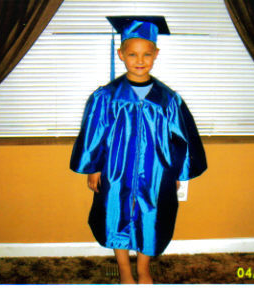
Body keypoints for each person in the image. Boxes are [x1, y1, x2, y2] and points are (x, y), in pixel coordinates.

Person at [70, 16, 207, 284]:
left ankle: (143, 268)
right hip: (115, 171)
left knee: (153, 217)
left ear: (156, 54)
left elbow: (182, 137)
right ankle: (123, 267)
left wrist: (179, 170)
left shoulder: (168, 99)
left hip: (157, 172)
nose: (140, 60)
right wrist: (93, 168)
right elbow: (94, 134)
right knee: (114, 214)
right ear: (120, 54)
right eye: (132, 54)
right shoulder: (106, 97)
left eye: (147, 54)